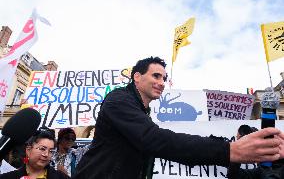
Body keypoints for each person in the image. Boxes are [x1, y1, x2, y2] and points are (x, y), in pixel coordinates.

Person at [73, 56, 284, 179]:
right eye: (156, 76)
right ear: (137, 77)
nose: (162, 82)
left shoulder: (141, 111)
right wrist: (228, 150)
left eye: (164, 78)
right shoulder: (118, 100)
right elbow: (153, 139)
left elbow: (163, 144)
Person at [0, 127, 70, 179]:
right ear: (28, 150)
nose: (46, 154)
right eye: (42, 149)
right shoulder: (7, 177)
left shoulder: (61, 177)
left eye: (51, 151)